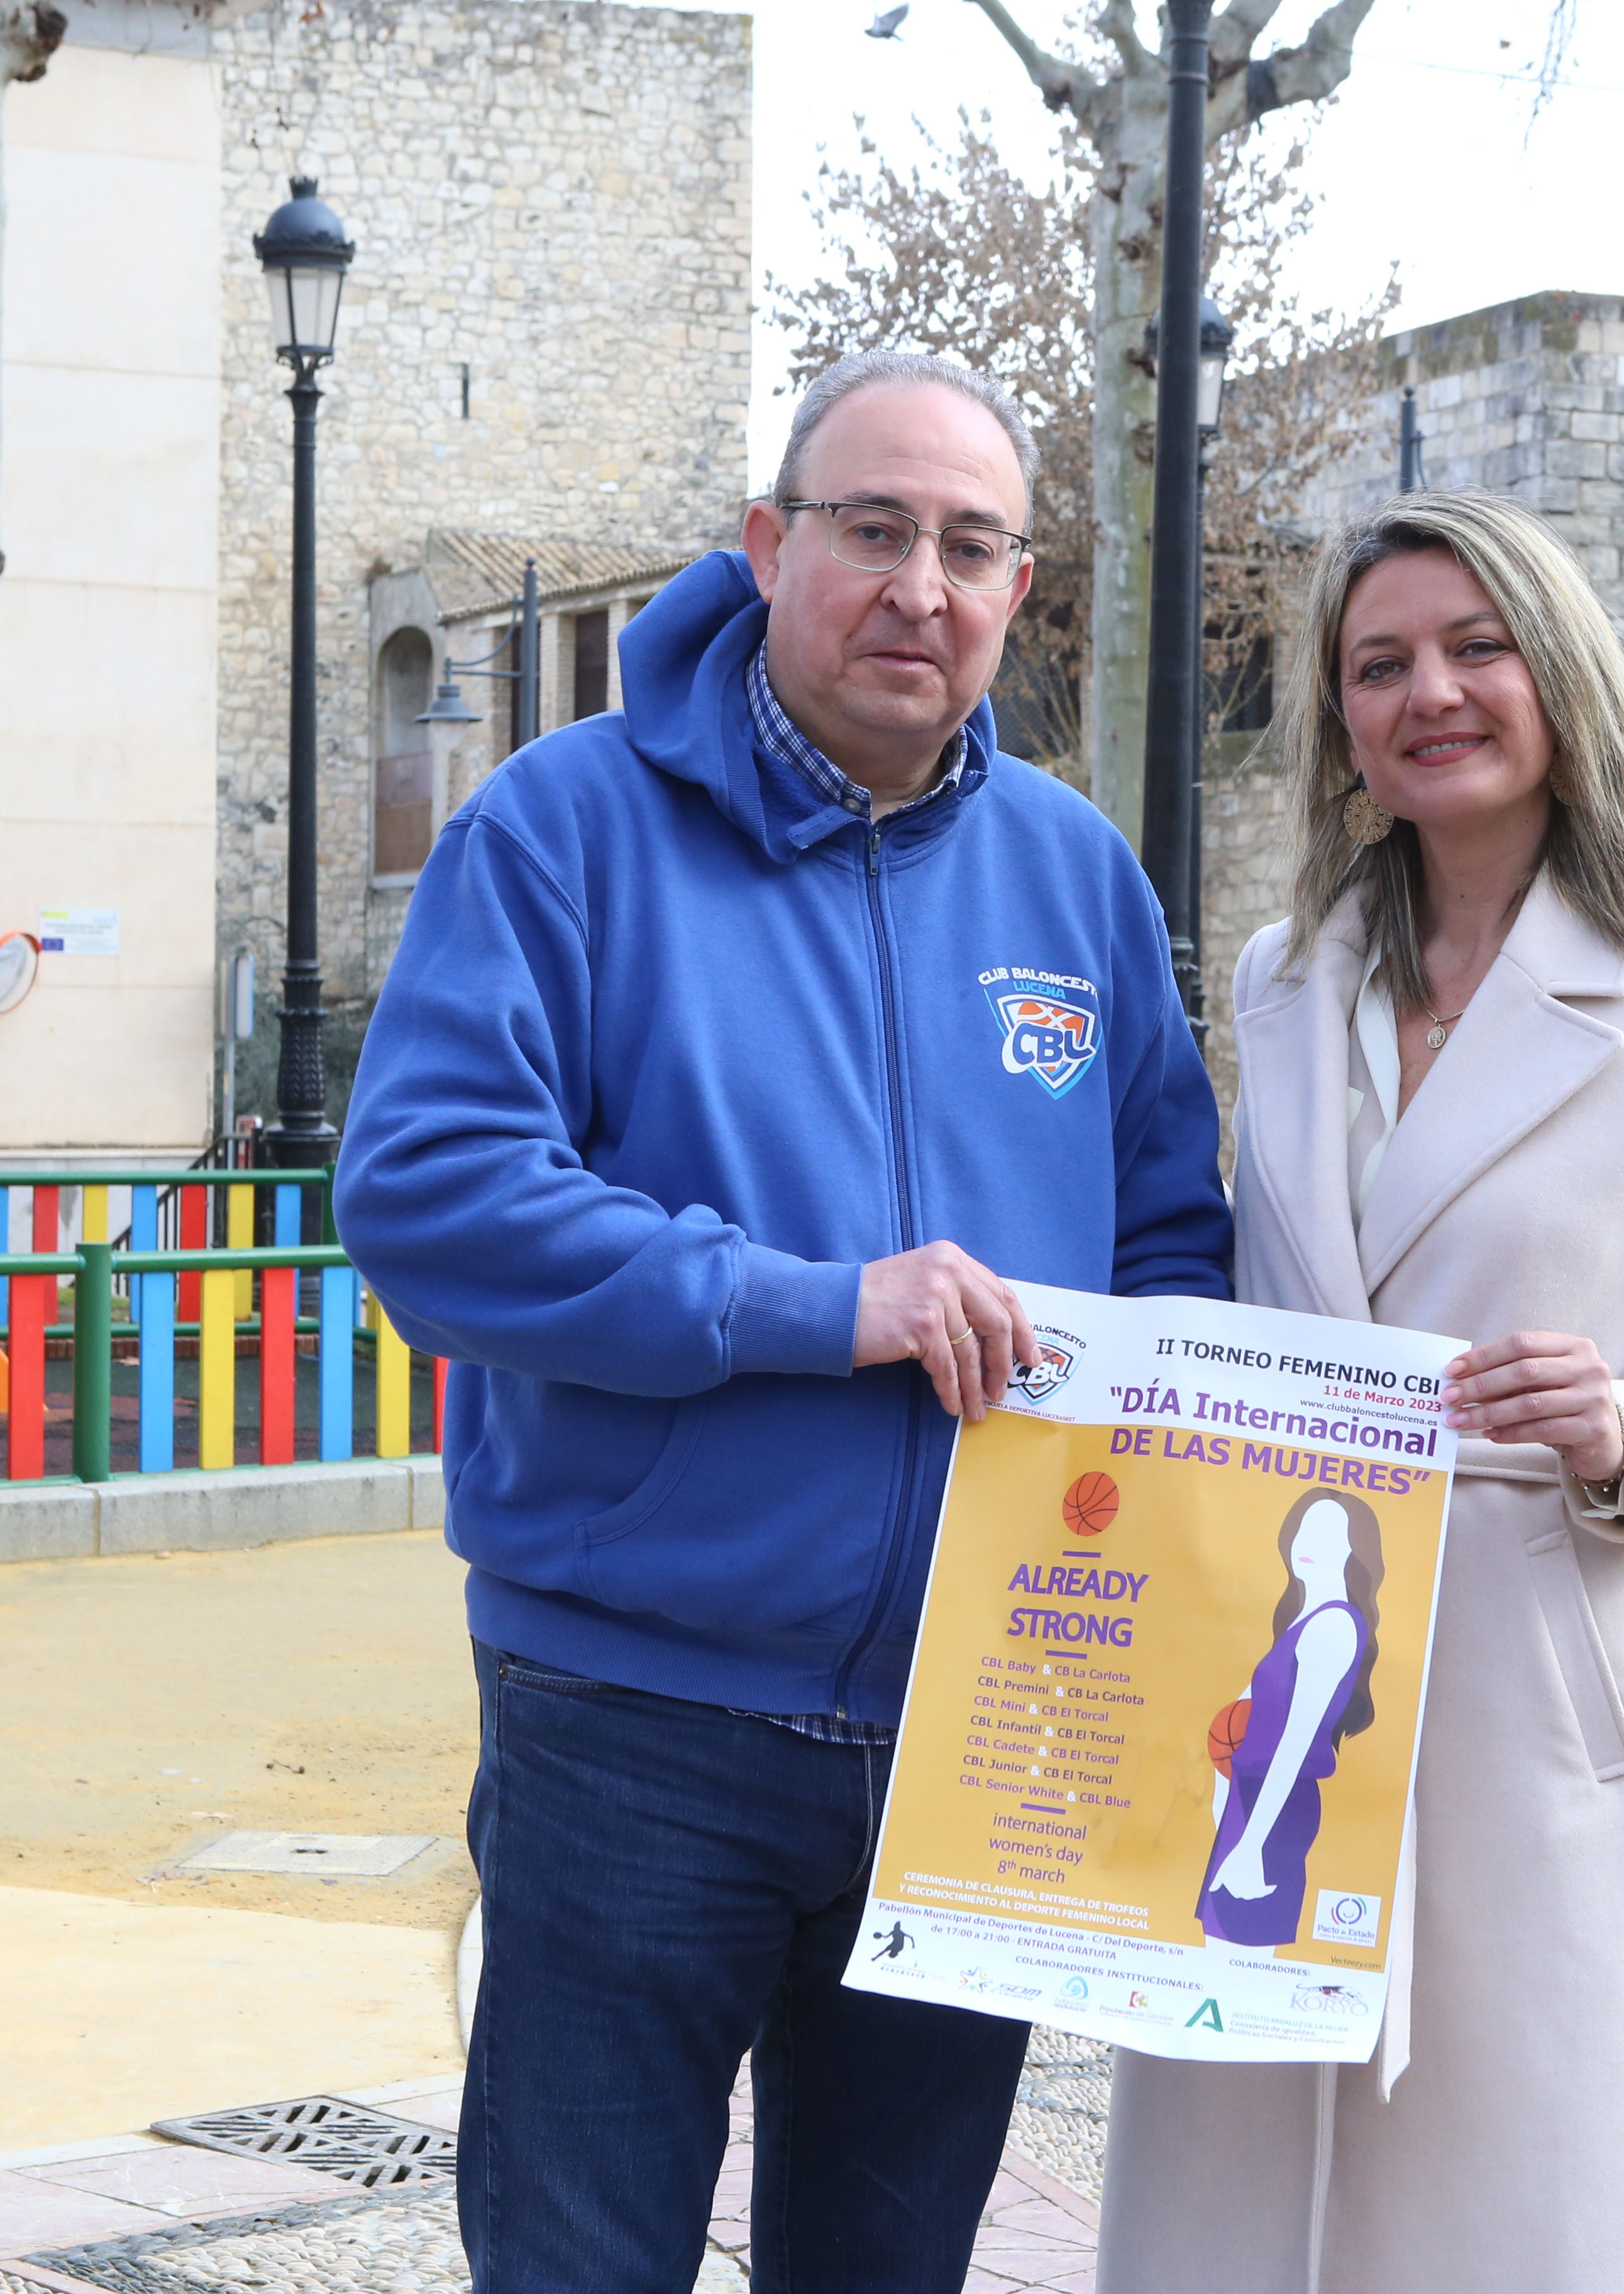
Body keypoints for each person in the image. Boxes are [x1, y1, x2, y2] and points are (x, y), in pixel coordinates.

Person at [335, 350, 1231, 2294]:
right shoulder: (555, 832)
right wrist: (815, 1310)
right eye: (875, 529)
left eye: (972, 544)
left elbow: (1173, 1237)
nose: (923, 583)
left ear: (1017, 589)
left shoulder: (1076, 880)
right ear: (768, 549)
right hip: (631, 1721)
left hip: (973, 1738)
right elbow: (429, 1199)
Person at [1097, 491, 1624, 2294]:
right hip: (1275, 1691)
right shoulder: (1285, 983)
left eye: (1473, 647)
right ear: (1339, 721)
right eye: (1379, 665)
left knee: (1516, 2212)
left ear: (1561, 680)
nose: (1429, 692)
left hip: (1538, 1695)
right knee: (1239, 2200)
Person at [1198, 1488, 1384, 1947]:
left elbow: (1296, 1743)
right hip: (1255, 1799)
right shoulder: (1305, 1619)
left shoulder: (1333, 1625)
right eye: (1306, 1528)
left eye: (1329, 1535)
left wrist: (1252, 1843)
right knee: (1220, 1952)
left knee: (1241, 1958)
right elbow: (1248, 1720)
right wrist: (1227, 1797)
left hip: (1276, 1806)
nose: (1310, 1544)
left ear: (1352, 1551)